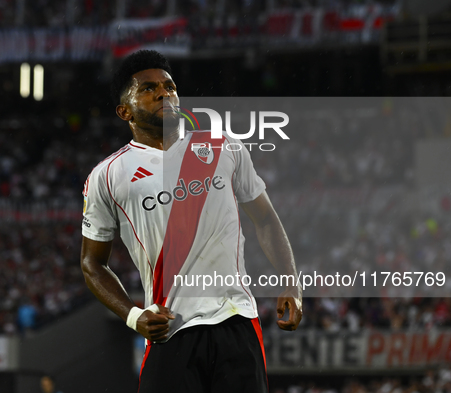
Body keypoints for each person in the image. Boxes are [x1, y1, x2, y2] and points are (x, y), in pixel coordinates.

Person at [80, 50, 302, 392]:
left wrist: (291, 283)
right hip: (170, 330)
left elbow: (267, 221)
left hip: (236, 322)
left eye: (169, 86)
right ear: (124, 111)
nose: (164, 94)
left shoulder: (224, 146)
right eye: (149, 88)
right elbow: (92, 263)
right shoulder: (108, 176)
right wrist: (134, 315)